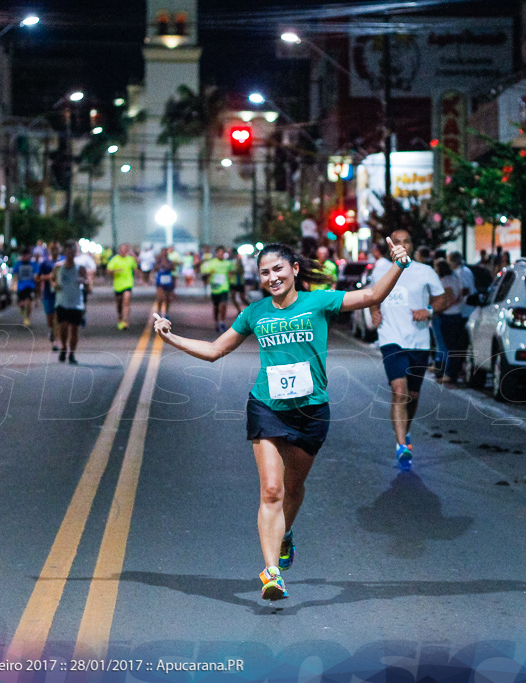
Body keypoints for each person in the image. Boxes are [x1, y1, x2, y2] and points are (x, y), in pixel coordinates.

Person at [151, 237, 412, 601]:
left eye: (278, 269)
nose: (272, 277)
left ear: (293, 270)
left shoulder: (318, 301)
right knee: (271, 489)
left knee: (294, 487)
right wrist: (170, 337)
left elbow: (370, 297)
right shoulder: (254, 314)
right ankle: (272, 573)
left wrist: (400, 264)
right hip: (267, 406)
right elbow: (214, 351)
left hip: (310, 411)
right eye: (264, 273)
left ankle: (285, 533)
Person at [370, 229, 449, 471]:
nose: (402, 245)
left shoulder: (424, 271)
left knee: (412, 396)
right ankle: (402, 445)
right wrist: (374, 310)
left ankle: (406, 429)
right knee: (399, 390)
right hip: (390, 337)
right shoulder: (381, 269)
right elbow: (373, 295)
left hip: (418, 340)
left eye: (406, 241)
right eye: (397, 242)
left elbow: (442, 298)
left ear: (412, 246)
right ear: (390, 246)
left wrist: (429, 311)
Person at [53, 240, 88, 364]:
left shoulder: (80, 267)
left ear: (75, 252)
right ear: (65, 252)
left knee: (74, 329)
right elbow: (52, 280)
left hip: (76, 302)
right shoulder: (58, 266)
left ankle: (72, 354)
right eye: (68, 251)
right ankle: (63, 347)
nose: (70, 254)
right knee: (63, 327)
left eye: (73, 251)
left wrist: (82, 280)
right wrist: (55, 285)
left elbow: (86, 281)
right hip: (62, 301)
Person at [434, 259, 468, 385]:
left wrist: (439, 310)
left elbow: (449, 299)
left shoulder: (444, 281)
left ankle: (449, 373)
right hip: (457, 314)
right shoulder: (454, 279)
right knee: (454, 346)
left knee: (448, 346)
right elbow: (459, 295)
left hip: (448, 316)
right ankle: (452, 371)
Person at [200, 245, 234, 333]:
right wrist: (209, 274)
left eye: (222, 253)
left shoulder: (228, 263)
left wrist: (230, 281)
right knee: (215, 307)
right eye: (219, 253)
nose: (221, 255)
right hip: (215, 288)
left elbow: (230, 273)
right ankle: (216, 322)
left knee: (223, 305)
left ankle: (222, 322)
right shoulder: (212, 263)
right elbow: (205, 273)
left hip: (224, 287)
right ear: (216, 254)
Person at [37, 241, 61, 352]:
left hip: (60, 294)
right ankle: (52, 330)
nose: (55, 251)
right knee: (50, 319)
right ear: (50, 251)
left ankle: (56, 341)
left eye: (57, 249)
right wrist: (49, 277)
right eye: (53, 249)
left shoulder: (63, 262)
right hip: (48, 294)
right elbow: (37, 278)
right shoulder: (45, 263)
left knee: (58, 317)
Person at [107, 243, 137, 330]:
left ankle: (125, 320)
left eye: (126, 250)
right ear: (119, 251)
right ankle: (120, 317)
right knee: (119, 303)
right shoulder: (115, 259)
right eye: (122, 250)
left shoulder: (130, 259)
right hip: (118, 285)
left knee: (126, 301)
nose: (124, 252)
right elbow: (109, 270)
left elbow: (135, 268)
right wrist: (115, 271)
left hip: (128, 283)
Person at [12, 247, 39, 326]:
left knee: (29, 302)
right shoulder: (18, 264)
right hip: (21, 287)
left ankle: (27, 318)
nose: (26, 257)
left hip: (30, 286)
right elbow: (15, 274)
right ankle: (22, 309)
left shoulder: (33, 264)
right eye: (24, 256)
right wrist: (14, 284)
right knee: (21, 304)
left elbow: (36, 274)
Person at [153, 249, 175, 316]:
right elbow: (155, 268)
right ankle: (159, 311)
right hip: (160, 281)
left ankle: (166, 312)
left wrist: (167, 266)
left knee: (167, 298)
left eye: (165, 252)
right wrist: (161, 264)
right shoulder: (158, 261)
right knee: (160, 297)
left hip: (168, 281)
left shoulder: (170, 261)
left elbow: (173, 268)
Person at [229, 249, 250, 315]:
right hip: (233, 282)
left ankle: (252, 309)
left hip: (239, 281)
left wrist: (233, 272)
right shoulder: (229, 261)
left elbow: (241, 271)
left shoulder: (239, 260)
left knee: (242, 298)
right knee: (232, 297)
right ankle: (239, 310)